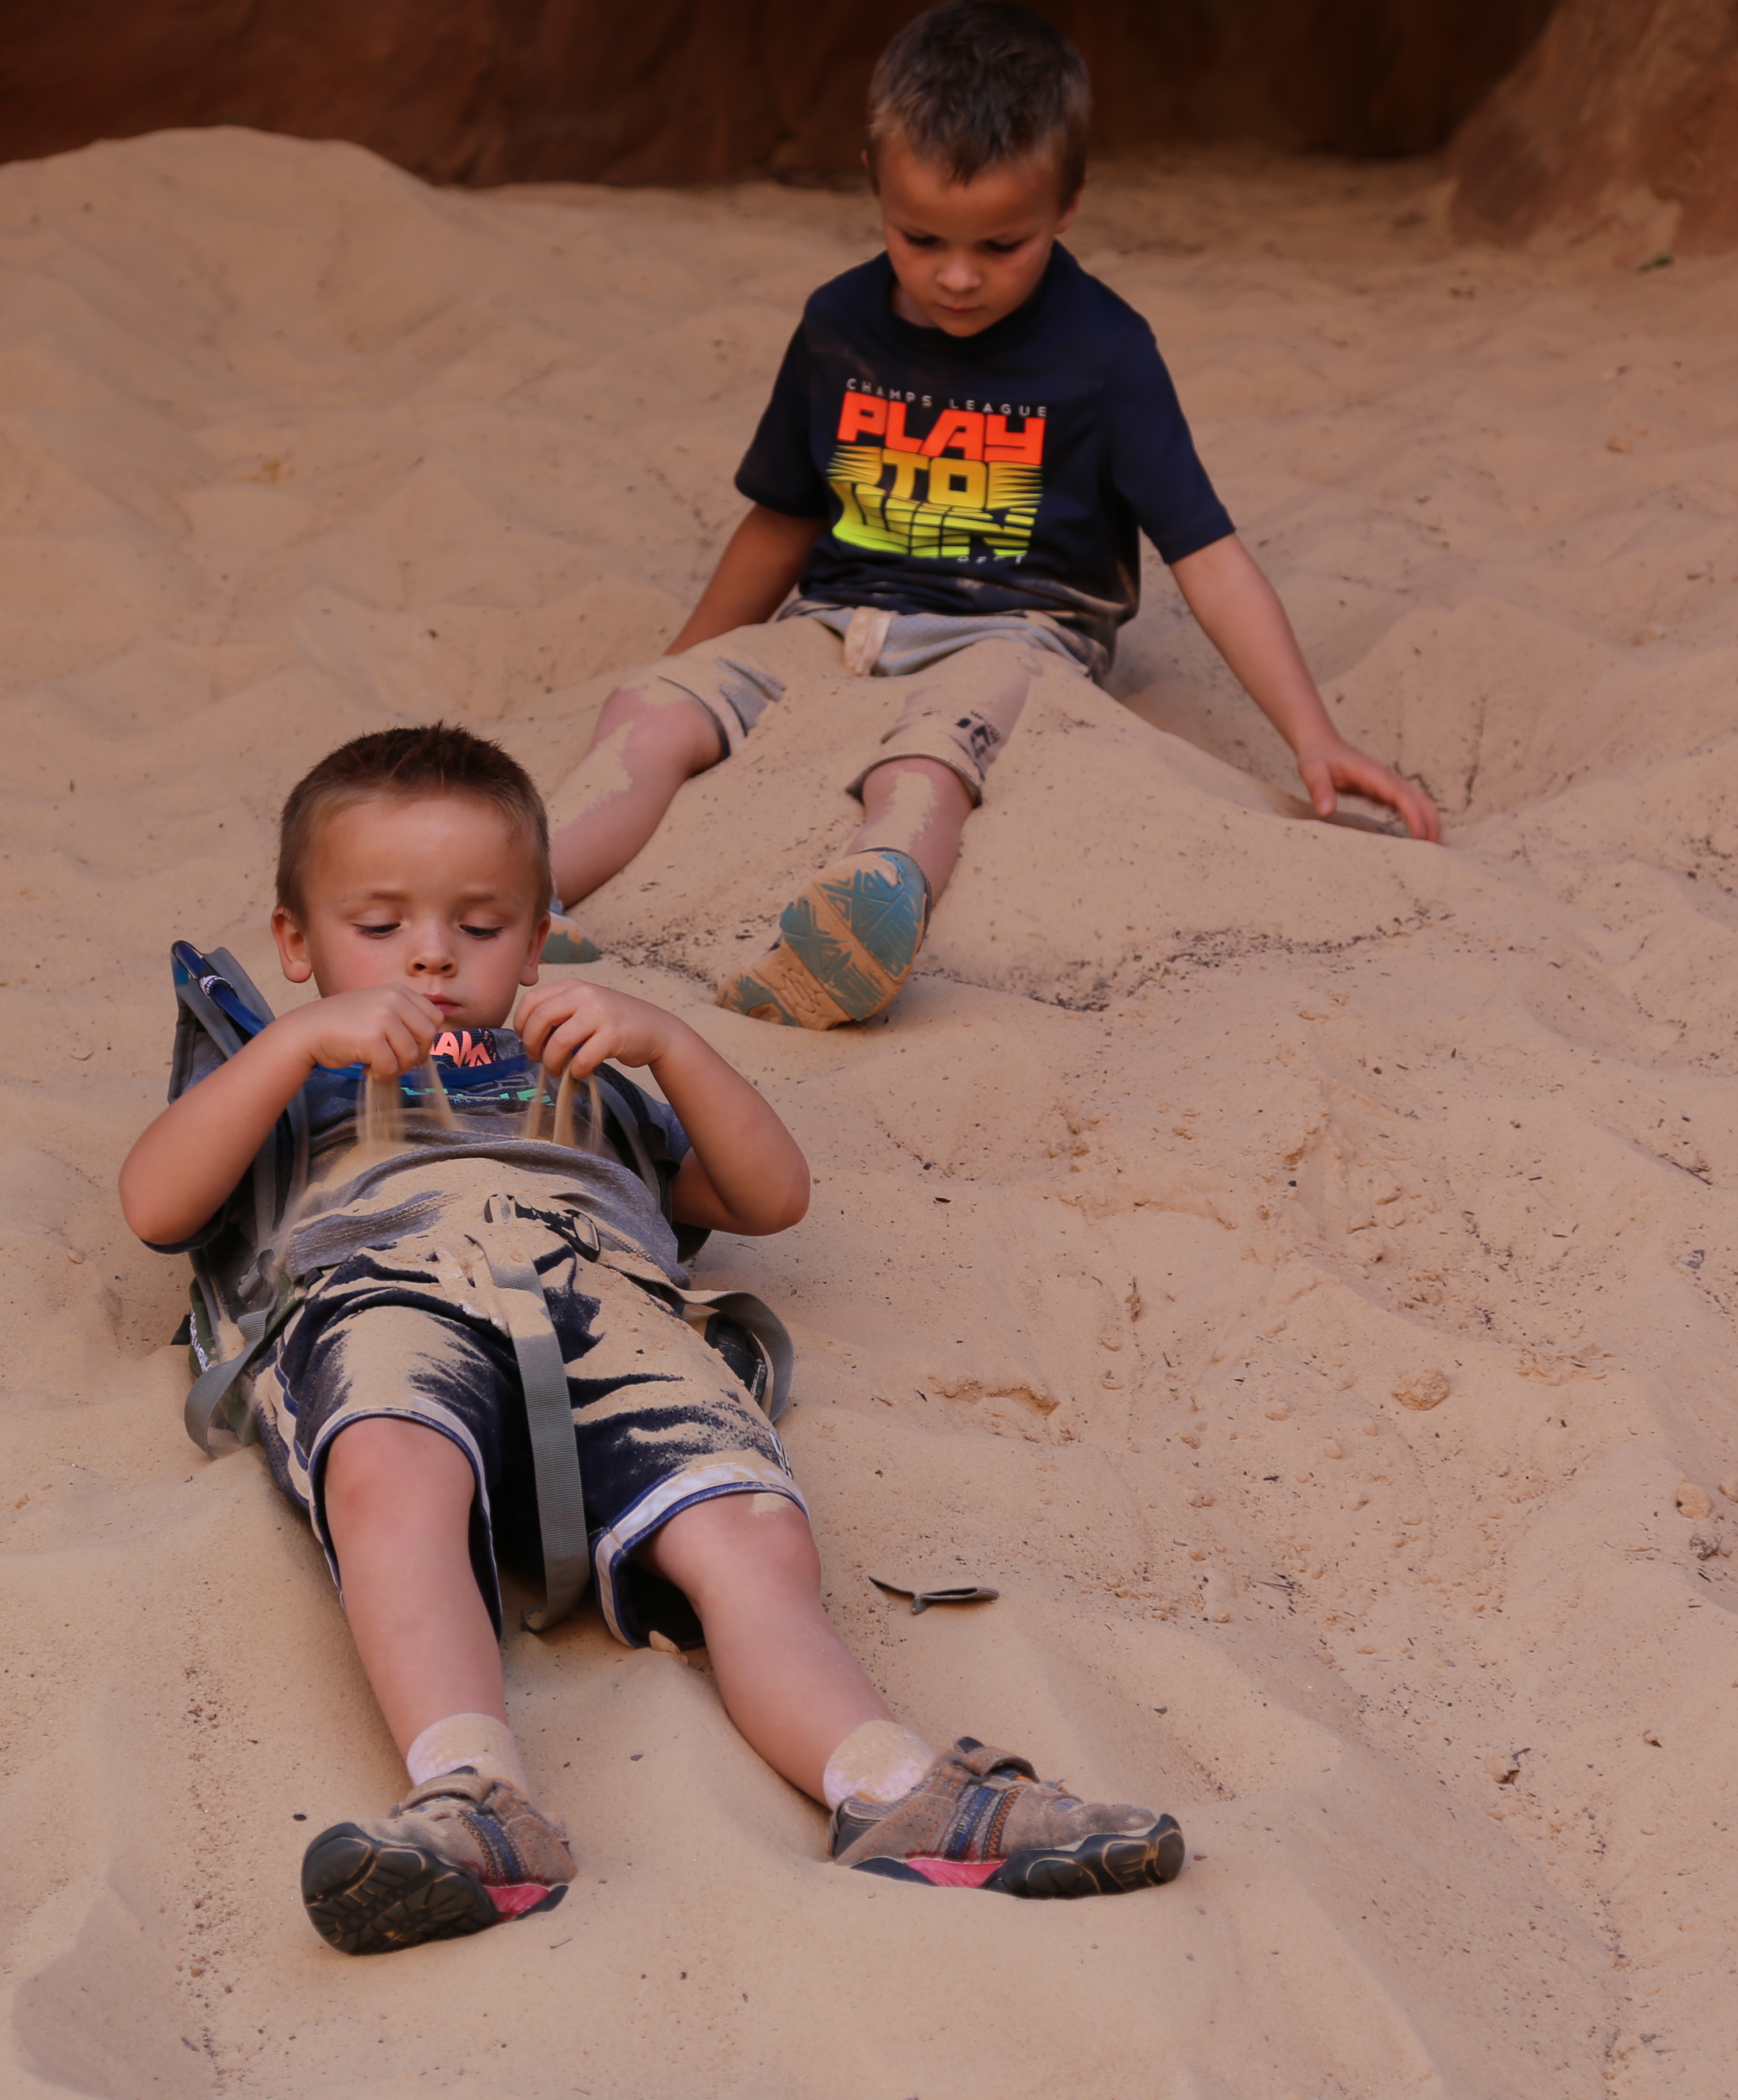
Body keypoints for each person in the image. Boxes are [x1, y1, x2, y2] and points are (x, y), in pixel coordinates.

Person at [118, 725, 1183, 1954]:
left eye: (480, 925)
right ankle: (475, 1794)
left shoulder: (586, 1061)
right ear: (296, 942)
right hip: (387, 1287)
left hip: (608, 1294)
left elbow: (770, 1198)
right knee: (389, 1475)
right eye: (380, 926)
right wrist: (294, 1045)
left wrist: (669, 1045)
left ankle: (890, 1786)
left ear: (536, 930)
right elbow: (157, 1205)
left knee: (749, 1528)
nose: (431, 955)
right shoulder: (289, 1073)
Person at [536, 0, 1443, 1028]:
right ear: (874, 184)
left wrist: (1311, 735)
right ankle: (516, 905)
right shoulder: (838, 324)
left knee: (930, 757)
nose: (956, 276)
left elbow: (1208, 552)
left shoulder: (1105, 354)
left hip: (1020, 630)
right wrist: (689, 660)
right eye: (919, 237)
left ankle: (870, 906)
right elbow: (785, 517)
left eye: (1001, 245)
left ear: (1069, 204)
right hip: (837, 622)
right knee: (646, 715)